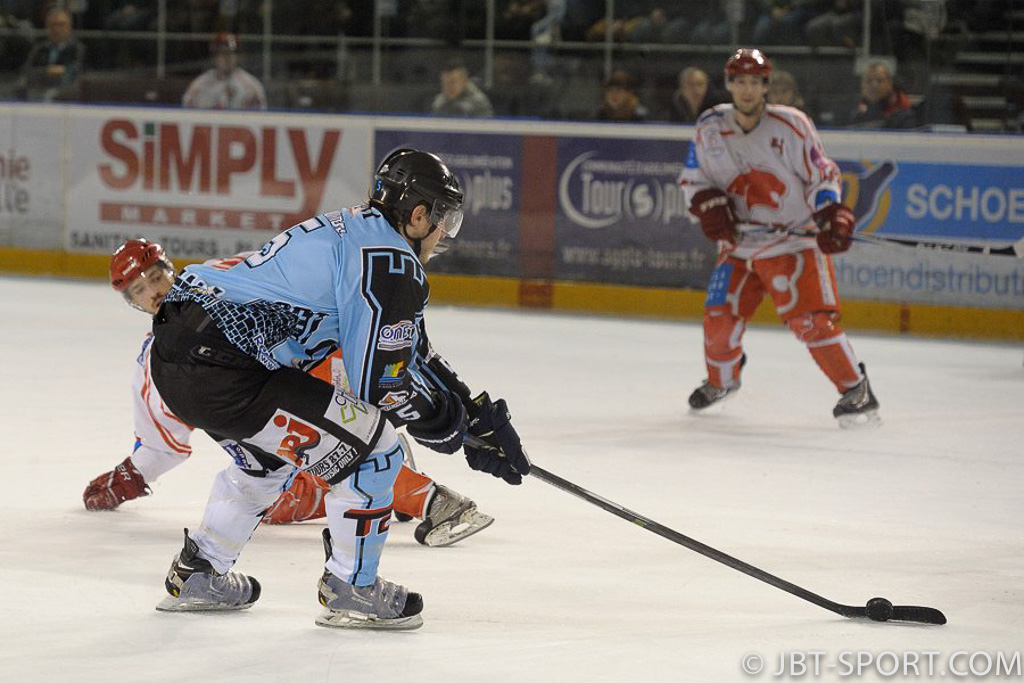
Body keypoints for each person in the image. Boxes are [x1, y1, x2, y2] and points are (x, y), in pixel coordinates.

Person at [147, 149, 530, 629]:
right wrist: (452, 430)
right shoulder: (390, 260)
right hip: (226, 370)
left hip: (177, 357)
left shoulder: (363, 231)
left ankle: (199, 571)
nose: (443, 234)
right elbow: (382, 386)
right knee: (374, 451)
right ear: (417, 215)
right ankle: (353, 587)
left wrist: (473, 414)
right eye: (443, 219)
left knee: (268, 459)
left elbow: (414, 352)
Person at [84, 238, 494, 547]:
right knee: (286, 486)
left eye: (155, 278)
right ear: (132, 303)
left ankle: (431, 501)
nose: (153, 292)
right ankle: (390, 467)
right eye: (139, 290)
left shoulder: (214, 286)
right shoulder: (166, 352)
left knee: (310, 469)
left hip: (332, 364)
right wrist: (131, 476)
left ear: (169, 270)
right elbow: (164, 441)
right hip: (322, 375)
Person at [678, 48, 880, 427]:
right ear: (729, 84)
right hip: (740, 244)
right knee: (718, 319)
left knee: (812, 322)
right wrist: (708, 204)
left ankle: (857, 389)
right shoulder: (709, 126)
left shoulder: (791, 125)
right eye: (740, 81)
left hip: (793, 242)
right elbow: (694, 179)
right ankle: (722, 381)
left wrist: (829, 212)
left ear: (766, 85)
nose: (747, 90)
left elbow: (823, 175)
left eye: (755, 82)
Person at [182, 32, 267, 110]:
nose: (226, 58)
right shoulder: (199, 85)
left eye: (231, 53)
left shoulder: (251, 86)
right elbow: (187, 113)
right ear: (214, 57)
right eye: (221, 53)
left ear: (237, 56)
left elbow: (260, 118)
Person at [18, 8, 85, 101]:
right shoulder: (40, 49)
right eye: (53, 25)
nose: (57, 29)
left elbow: (76, 72)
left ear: (69, 28)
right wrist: (47, 71)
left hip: (66, 94)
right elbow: (27, 71)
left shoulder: (77, 49)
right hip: (38, 91)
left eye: (61, 25)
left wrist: (60, 72)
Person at [848, 60, 917, 129]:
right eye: (869, 80)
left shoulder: (904, 115)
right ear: (862, 85)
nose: (874, 85)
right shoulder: (855, 113)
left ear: (890, 84)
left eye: (879, 80)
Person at [430, 60, 494, 118]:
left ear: (464, 82)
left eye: (453, 82)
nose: (449, 86)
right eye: (445, 83)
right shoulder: (439, 102)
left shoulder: (479, 103)